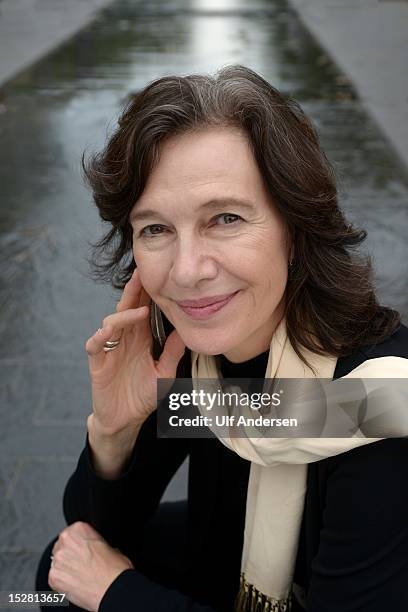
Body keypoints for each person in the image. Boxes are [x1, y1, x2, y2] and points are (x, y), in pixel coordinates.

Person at [35, 65, 408, 611]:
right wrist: (114, 430)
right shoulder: (198, 360)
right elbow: (97, 525)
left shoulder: (376, 404)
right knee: (55, 569)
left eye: (226, 218)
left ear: (296, 228)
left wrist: (119, 594)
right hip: (224, 559)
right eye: (156, 228)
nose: (186, 272)